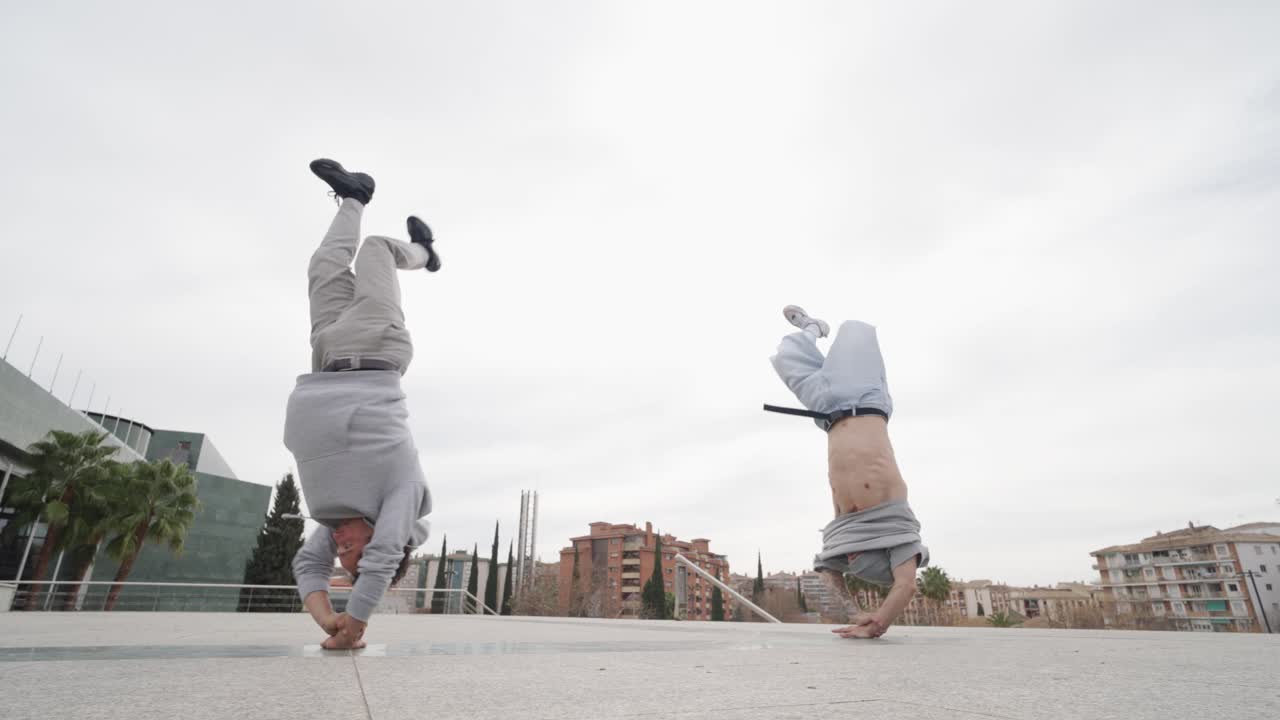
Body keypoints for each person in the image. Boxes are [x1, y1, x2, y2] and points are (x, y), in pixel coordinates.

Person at [284, 158, 439, 649]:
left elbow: (306, 565)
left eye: (342, 555)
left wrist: (326, 618)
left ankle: (354, 195)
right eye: (354, 554)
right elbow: (385, 552)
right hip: (376, 348)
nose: (342, 549)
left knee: (322, 265)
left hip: (327, 353)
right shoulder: (402, 495)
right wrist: (355, 625)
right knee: (377, 250)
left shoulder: (336, 520)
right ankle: (424, 252)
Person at [767, 306, 929, 639]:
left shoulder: (842, 535)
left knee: (786, 354)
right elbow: (906, 586)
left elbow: (829, 575)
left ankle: (812, 328)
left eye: (850, 558)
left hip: (826, 410)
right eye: (857, 556)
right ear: (883, 553)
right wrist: (879, 624)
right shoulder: (900, 531)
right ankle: (826, 326)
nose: (850, 555)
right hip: (863, 397)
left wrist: (858, 614)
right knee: (855, 329)